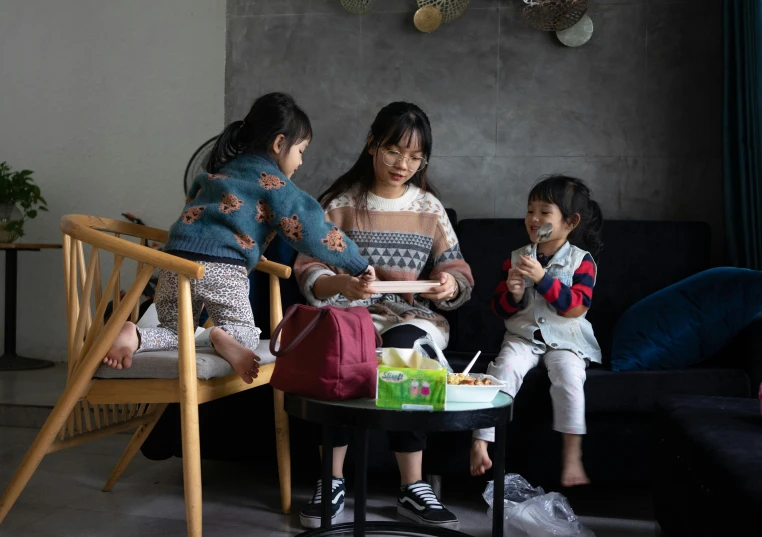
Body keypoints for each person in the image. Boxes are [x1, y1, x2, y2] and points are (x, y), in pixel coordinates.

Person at [102, 92, 372, 383]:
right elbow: (312, 230)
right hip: (221, 268)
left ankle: (136, 335)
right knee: (245, 333)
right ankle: (222, 337)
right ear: (280, 143)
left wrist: (251, 249)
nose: (301, 161)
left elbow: (204, 214)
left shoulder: (217, 173)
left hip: (175, 260)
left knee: (175, 331)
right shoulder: (275, 183)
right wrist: (356, 263)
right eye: (301, 151)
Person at [294, 102, 474, 530]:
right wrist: (343, 286)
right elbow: (308, 269)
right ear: (373, 144)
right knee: (341, 346)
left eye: (415, 157)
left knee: (403, 348)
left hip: (410, 316)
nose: (403, 165)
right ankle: (331, 479)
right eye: (394, 151)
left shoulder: (429, 208)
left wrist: (449, 285)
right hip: (349, 312)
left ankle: (412, 486)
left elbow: (457, 271)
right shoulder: (340, 204)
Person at [470, 175, 603, 488]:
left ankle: (572, 455)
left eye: (544, 212)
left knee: (570, 378)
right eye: (530, 211)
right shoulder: (517, 258)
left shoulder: (582, 262)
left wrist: (544, 279)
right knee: (502, 370)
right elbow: (499, 308)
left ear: (570, 222)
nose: (534, 219)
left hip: (567, 341)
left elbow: (575, 308)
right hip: (523, 337)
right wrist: (513, 295)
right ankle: (480, 441)